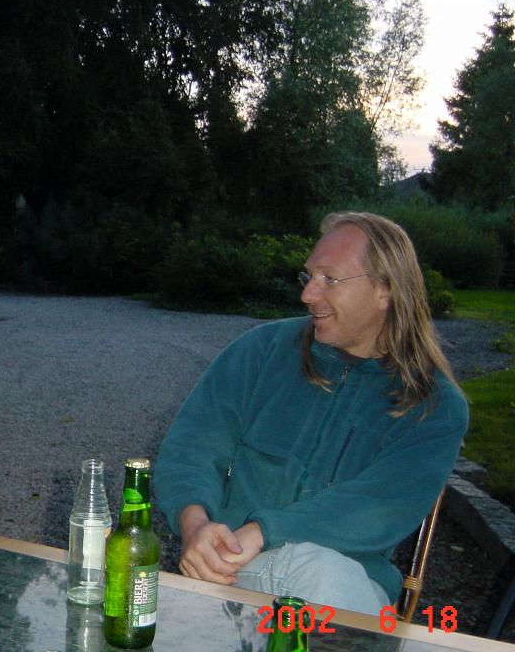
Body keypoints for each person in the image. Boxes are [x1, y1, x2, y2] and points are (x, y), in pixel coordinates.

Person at [155, 211, 468, 615]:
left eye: (329, 279)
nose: (307, 294)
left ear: (386, 290)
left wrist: (264, 531)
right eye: (309, 276)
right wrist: (194, 524)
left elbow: (377, 506)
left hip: (343, 585)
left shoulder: (433, 406)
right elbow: (193, 446)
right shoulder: (262, 351)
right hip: (233, 573)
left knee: (320, 572)